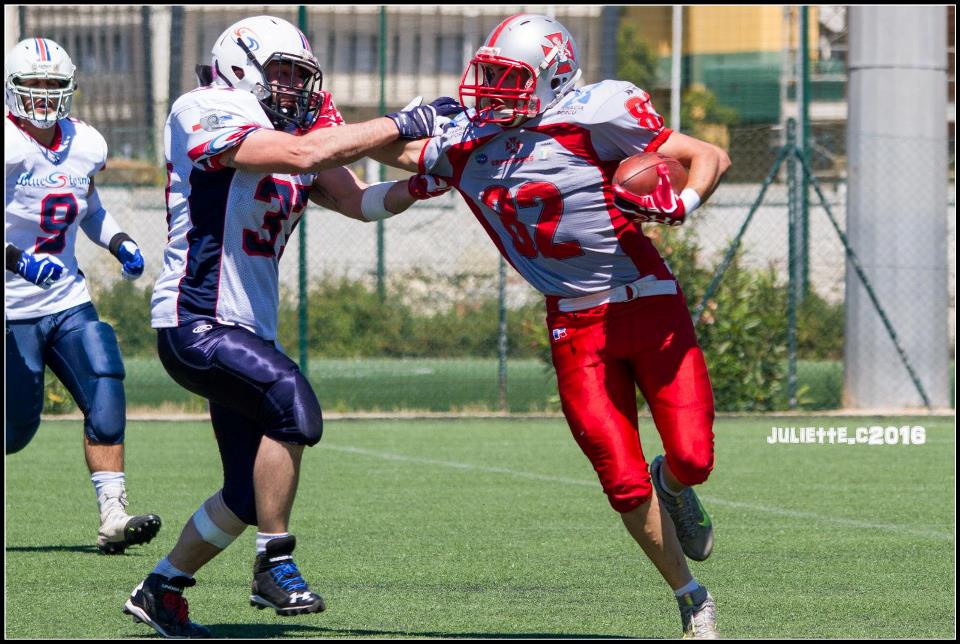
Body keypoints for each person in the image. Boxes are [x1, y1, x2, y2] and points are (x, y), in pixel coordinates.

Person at [373, 14, 731, 639]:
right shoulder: (468, 139)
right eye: (490, 74)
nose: (491, 90)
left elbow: (708, 155)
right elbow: (394, 150)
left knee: (693, 458)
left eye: (511, 78)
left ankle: (672, 485)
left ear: (557, 77)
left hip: (648, 305)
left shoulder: (598, 115)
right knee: (620, 483)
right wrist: (357, 129)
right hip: (575, 324)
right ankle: (690, 594)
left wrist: (684, 205)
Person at [123, 15, 454, 638]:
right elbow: (307, 152)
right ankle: (274, 564)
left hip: (247, 328)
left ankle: (161, 588)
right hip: (196, 318)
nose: (292, 88)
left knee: (245, 496)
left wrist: (419, 183)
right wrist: (404, 121)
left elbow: (358, 201)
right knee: (293, 407)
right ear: (240, 65)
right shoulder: (205, 108)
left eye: (300, 77)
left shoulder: (290, 132)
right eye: (281, 72)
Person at [5, 38, 162, 555]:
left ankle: (113, 515)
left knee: (104, 382)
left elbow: (87, 206)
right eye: (34, 87)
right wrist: (18, 259)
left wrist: (119, 241)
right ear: (13, 89)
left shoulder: (87, 142)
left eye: (54, 87)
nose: (45, 98)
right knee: (15, 429)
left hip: (65, 297)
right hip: (10, 306)